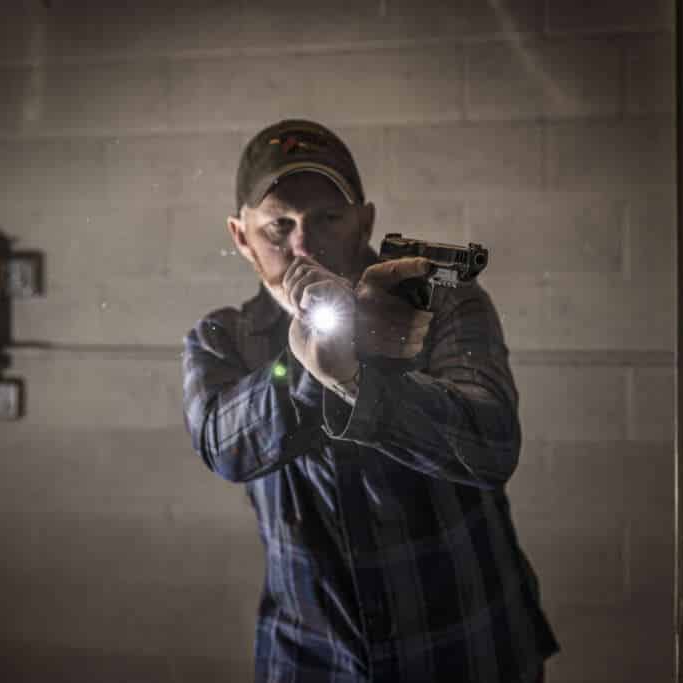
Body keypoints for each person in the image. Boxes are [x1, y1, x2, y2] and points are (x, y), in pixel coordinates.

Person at [181, 119, 559, 682]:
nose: (304, 245)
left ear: (365, 221)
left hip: (468, 651)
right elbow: (225, 447)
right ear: (241, 236)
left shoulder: (441, 300)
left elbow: (491, 444)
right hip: (312, 661)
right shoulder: (221, 337)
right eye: (278, 226)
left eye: (328, 218)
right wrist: (308, 373)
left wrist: (355, 382)